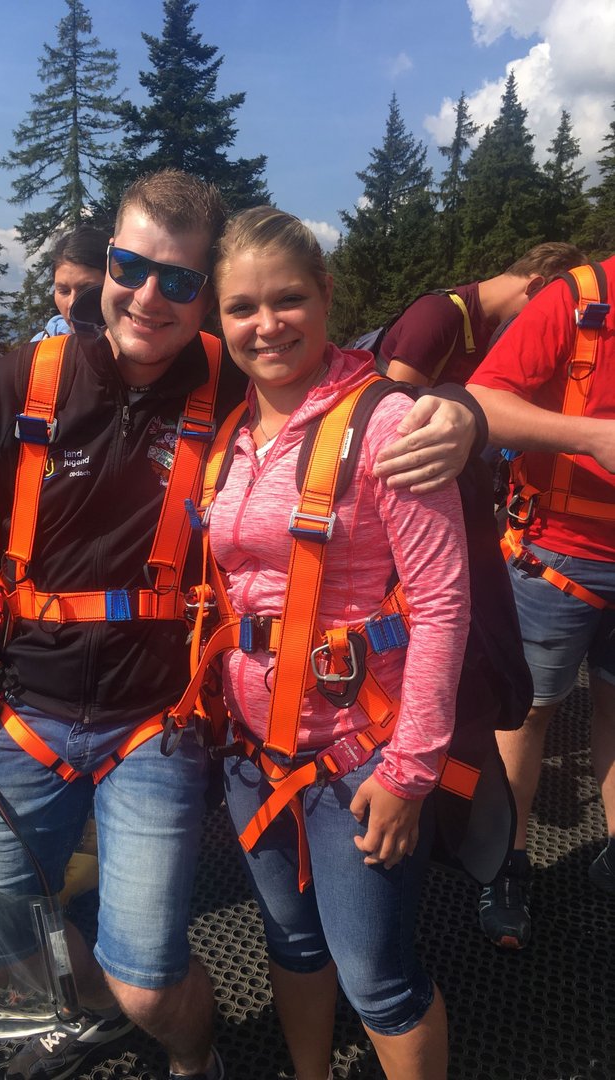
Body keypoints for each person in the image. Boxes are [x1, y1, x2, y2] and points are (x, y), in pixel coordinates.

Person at [0, 169, 483, 1080]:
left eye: (181, 282)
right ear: (105, 261)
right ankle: (105, 1009)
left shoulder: (231, 378)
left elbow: (358, 391)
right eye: (129, 267)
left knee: (166, 982)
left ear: (203, 306)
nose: (149, 297)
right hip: (32, 702)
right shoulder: (24, 381)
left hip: (164, 723)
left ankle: (192, 1057)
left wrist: (462, 417)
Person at [205, 206, 468, 1080]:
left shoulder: (389, 425)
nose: (266, 325)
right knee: (292, 943)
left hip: (362, 756)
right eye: (242, 308)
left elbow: (442, 603)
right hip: (254, 754)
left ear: (326, 295)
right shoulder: (231, 435)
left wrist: (411, 772)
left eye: (287, 300)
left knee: (377, 979)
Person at [468, 257, 615, 949]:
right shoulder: (578, 300)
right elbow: (482, 404)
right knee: (526, 714)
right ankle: (507, 861)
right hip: (558, 557)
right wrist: (592, 436)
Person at [380, 242, 586, 387]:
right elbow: (394, 414)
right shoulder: (435, 315)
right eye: (552, 308)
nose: (551, 322)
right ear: (534, 286)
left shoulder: (498, 331)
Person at [31, 226, 110, 340]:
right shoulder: (41, 346)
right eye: (64, 291)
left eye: (85, 291)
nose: (72, 303)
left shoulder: (134, 343)